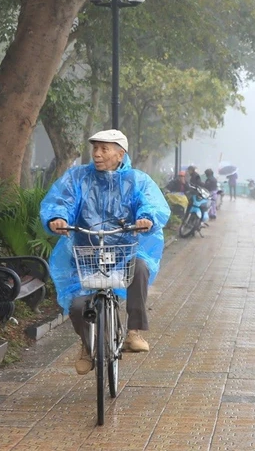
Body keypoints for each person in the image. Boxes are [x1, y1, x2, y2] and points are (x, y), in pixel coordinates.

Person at [41, 129, 171, 375]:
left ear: (120, 154)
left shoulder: (137, 180)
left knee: (140, 267)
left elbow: (150, 202)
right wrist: (57, 218)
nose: (97, 154)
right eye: (95, 149)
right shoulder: (78, 177)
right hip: (85, 253)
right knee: (79, 306)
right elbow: (63, 200)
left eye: (104, 149)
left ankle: (133, 331)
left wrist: (146, 218)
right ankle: (87, 346)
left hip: (123, 252)